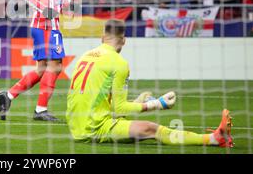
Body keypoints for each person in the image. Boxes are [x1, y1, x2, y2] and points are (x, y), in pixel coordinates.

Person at [66, 19, 233, 148]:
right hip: (95, 128)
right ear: (124, 40)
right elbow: (120, 108)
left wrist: (137, 102)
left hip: (76, 126)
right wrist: (157, 104)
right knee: (152, 129)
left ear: (102, 37)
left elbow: (99, 100)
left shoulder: (86, 55)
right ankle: (213, 139)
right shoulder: (119, 63)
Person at [0, 0, 75, 122]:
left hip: (52, 23)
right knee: (55, 66)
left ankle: (8, 96)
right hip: (43, 23)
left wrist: (68, 4)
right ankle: (41, 110)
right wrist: (43, 8)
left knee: (42, 69)